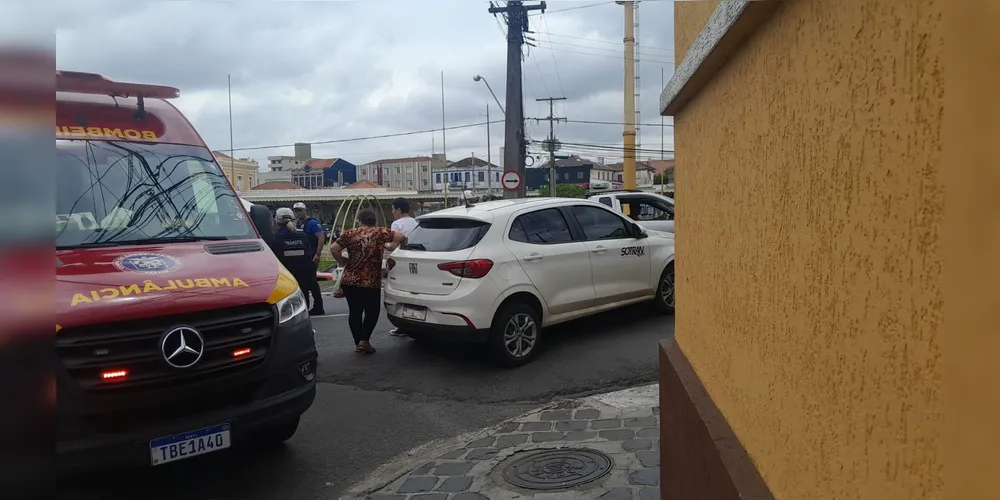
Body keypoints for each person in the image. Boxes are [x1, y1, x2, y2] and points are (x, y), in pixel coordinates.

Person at [330, 209, 405, 353]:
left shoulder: (350, 233)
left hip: (350, 280)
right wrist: (397, 246)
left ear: (360, 220)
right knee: (372, 312)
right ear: (374, 221)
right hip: (370, 281)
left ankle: (358, 342)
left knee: (355, 312)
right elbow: (401, 236)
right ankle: (365, 340)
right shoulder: (380, 232)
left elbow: (334, 249)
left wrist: (342, 261)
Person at [270, 207, 316, 299]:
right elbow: (308, 253)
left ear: (277, 220)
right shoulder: (302, 235)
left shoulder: (275, 237)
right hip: (303, 271)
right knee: (304, 293)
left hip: (285, 274)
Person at [388, 198, 418, 337]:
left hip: (403, 261)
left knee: (402, 296)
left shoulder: (396, 224)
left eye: (393, 209)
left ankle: (403, 325)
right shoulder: (416, 222)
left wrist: (383, 245)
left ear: (399, 210)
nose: (392, 212)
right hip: (418, 260)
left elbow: (393, 245)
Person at [292, 201, 325, 316]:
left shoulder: (312, 223)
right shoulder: (296, 224)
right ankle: (311, 306)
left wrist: (318, 254)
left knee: (311, 283)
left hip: (311, 256)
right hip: (302, 257)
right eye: (296, 211)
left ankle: (318, 306)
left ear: (305, 210)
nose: (298, 213)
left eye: (300, 210)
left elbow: (321, 237)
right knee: (306, 284)